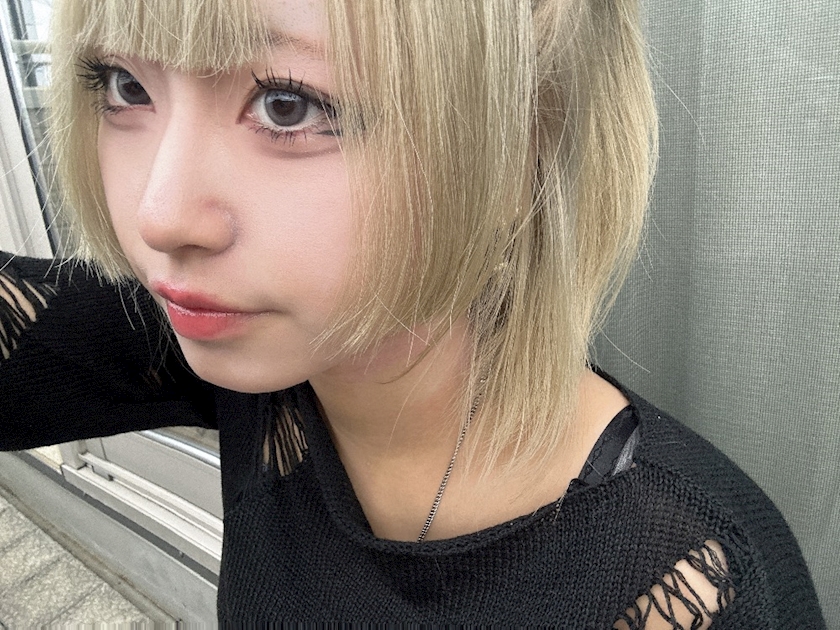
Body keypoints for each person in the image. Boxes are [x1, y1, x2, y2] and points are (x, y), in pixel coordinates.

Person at [0, 0, 825, 626]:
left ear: (518, 148)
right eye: (125, 86)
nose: (161, 214)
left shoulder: (696, 579)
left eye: (287, 105)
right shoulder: (248, 351)